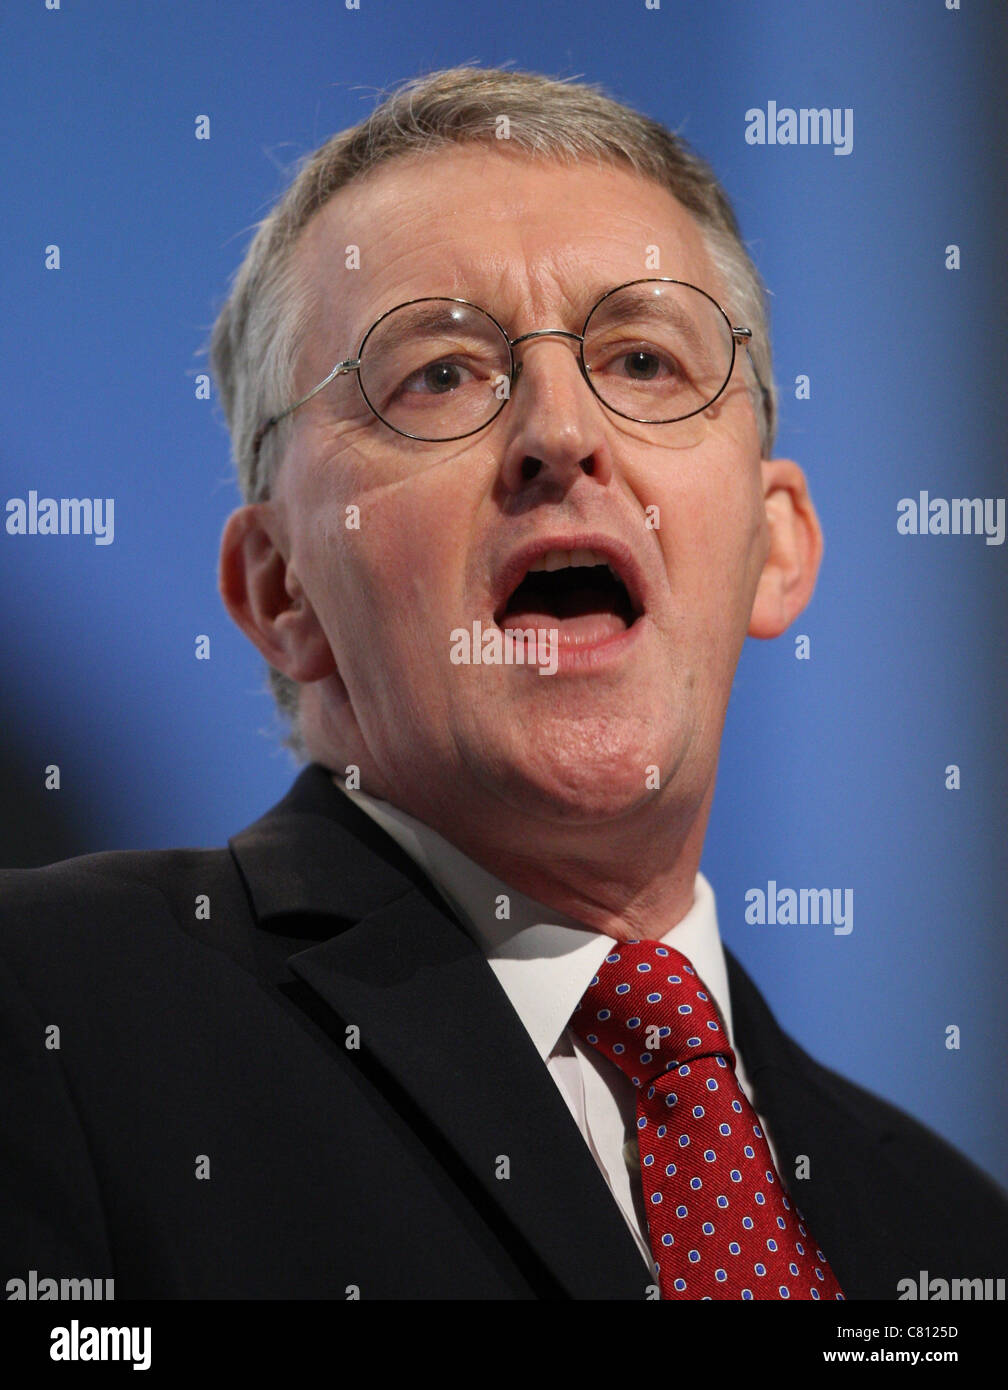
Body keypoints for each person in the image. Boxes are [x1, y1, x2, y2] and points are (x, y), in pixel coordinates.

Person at [2, 66, 1005, 1303]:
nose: (560, 430)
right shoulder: (54, 1012)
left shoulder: (949, 1234)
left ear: (775, 540)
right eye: (439, 375)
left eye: (642, 357)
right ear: (281, 591)